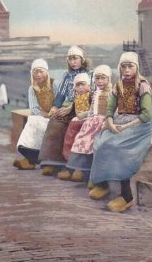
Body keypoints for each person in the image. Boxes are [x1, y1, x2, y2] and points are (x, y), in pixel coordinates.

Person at [89, 52, 152, 213]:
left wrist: (126, 126)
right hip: (119, 120)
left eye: (130, 66)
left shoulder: (143, 85)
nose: (126, 70)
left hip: (138, 125)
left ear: (136, 67)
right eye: (123, 66)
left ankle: (126, 197)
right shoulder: (118, 85)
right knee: (101, 142)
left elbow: (146, 114)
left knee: (117, 148)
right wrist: (109, 121)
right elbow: (110, 108)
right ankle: (102, 183)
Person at [39, 45, 92, 176]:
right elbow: (61, 94)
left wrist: (71, 108)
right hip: (67, 106)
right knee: (55, 121)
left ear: (82, 59)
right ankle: (52, 162)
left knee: (72, 126)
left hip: (84, 108)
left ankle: (71, 165)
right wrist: (55, 107)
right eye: (70, 59)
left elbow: (92, 94)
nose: (73, 62)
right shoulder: (67, 75)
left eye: (75, 58)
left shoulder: (90, 75)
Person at [58, 65, 112, 182]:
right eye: (97, 79)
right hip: (92, 120)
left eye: (103, 78)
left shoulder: (111, 93)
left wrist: (108, 121)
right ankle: (74, 168)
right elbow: (92, 110)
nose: (100, 81)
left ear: (108, 79)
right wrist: (84, 116)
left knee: (91, 141)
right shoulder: (97, 93)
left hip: (103, 121)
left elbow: (112, 110)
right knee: (80, 139)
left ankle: (86, 171)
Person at [13, 58, 58, 170]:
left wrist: (53, 111)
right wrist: (44, 114)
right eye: (35, 72)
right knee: (33, 121)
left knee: (43, 124)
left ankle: (32, 160)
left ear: (46, 72)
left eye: (41, 71)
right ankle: (30, 155)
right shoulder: (32, 89)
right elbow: (34, 108)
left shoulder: (54, 84)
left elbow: (59, 101)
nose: (38, 75)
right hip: (41, 115)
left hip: (55, 114)